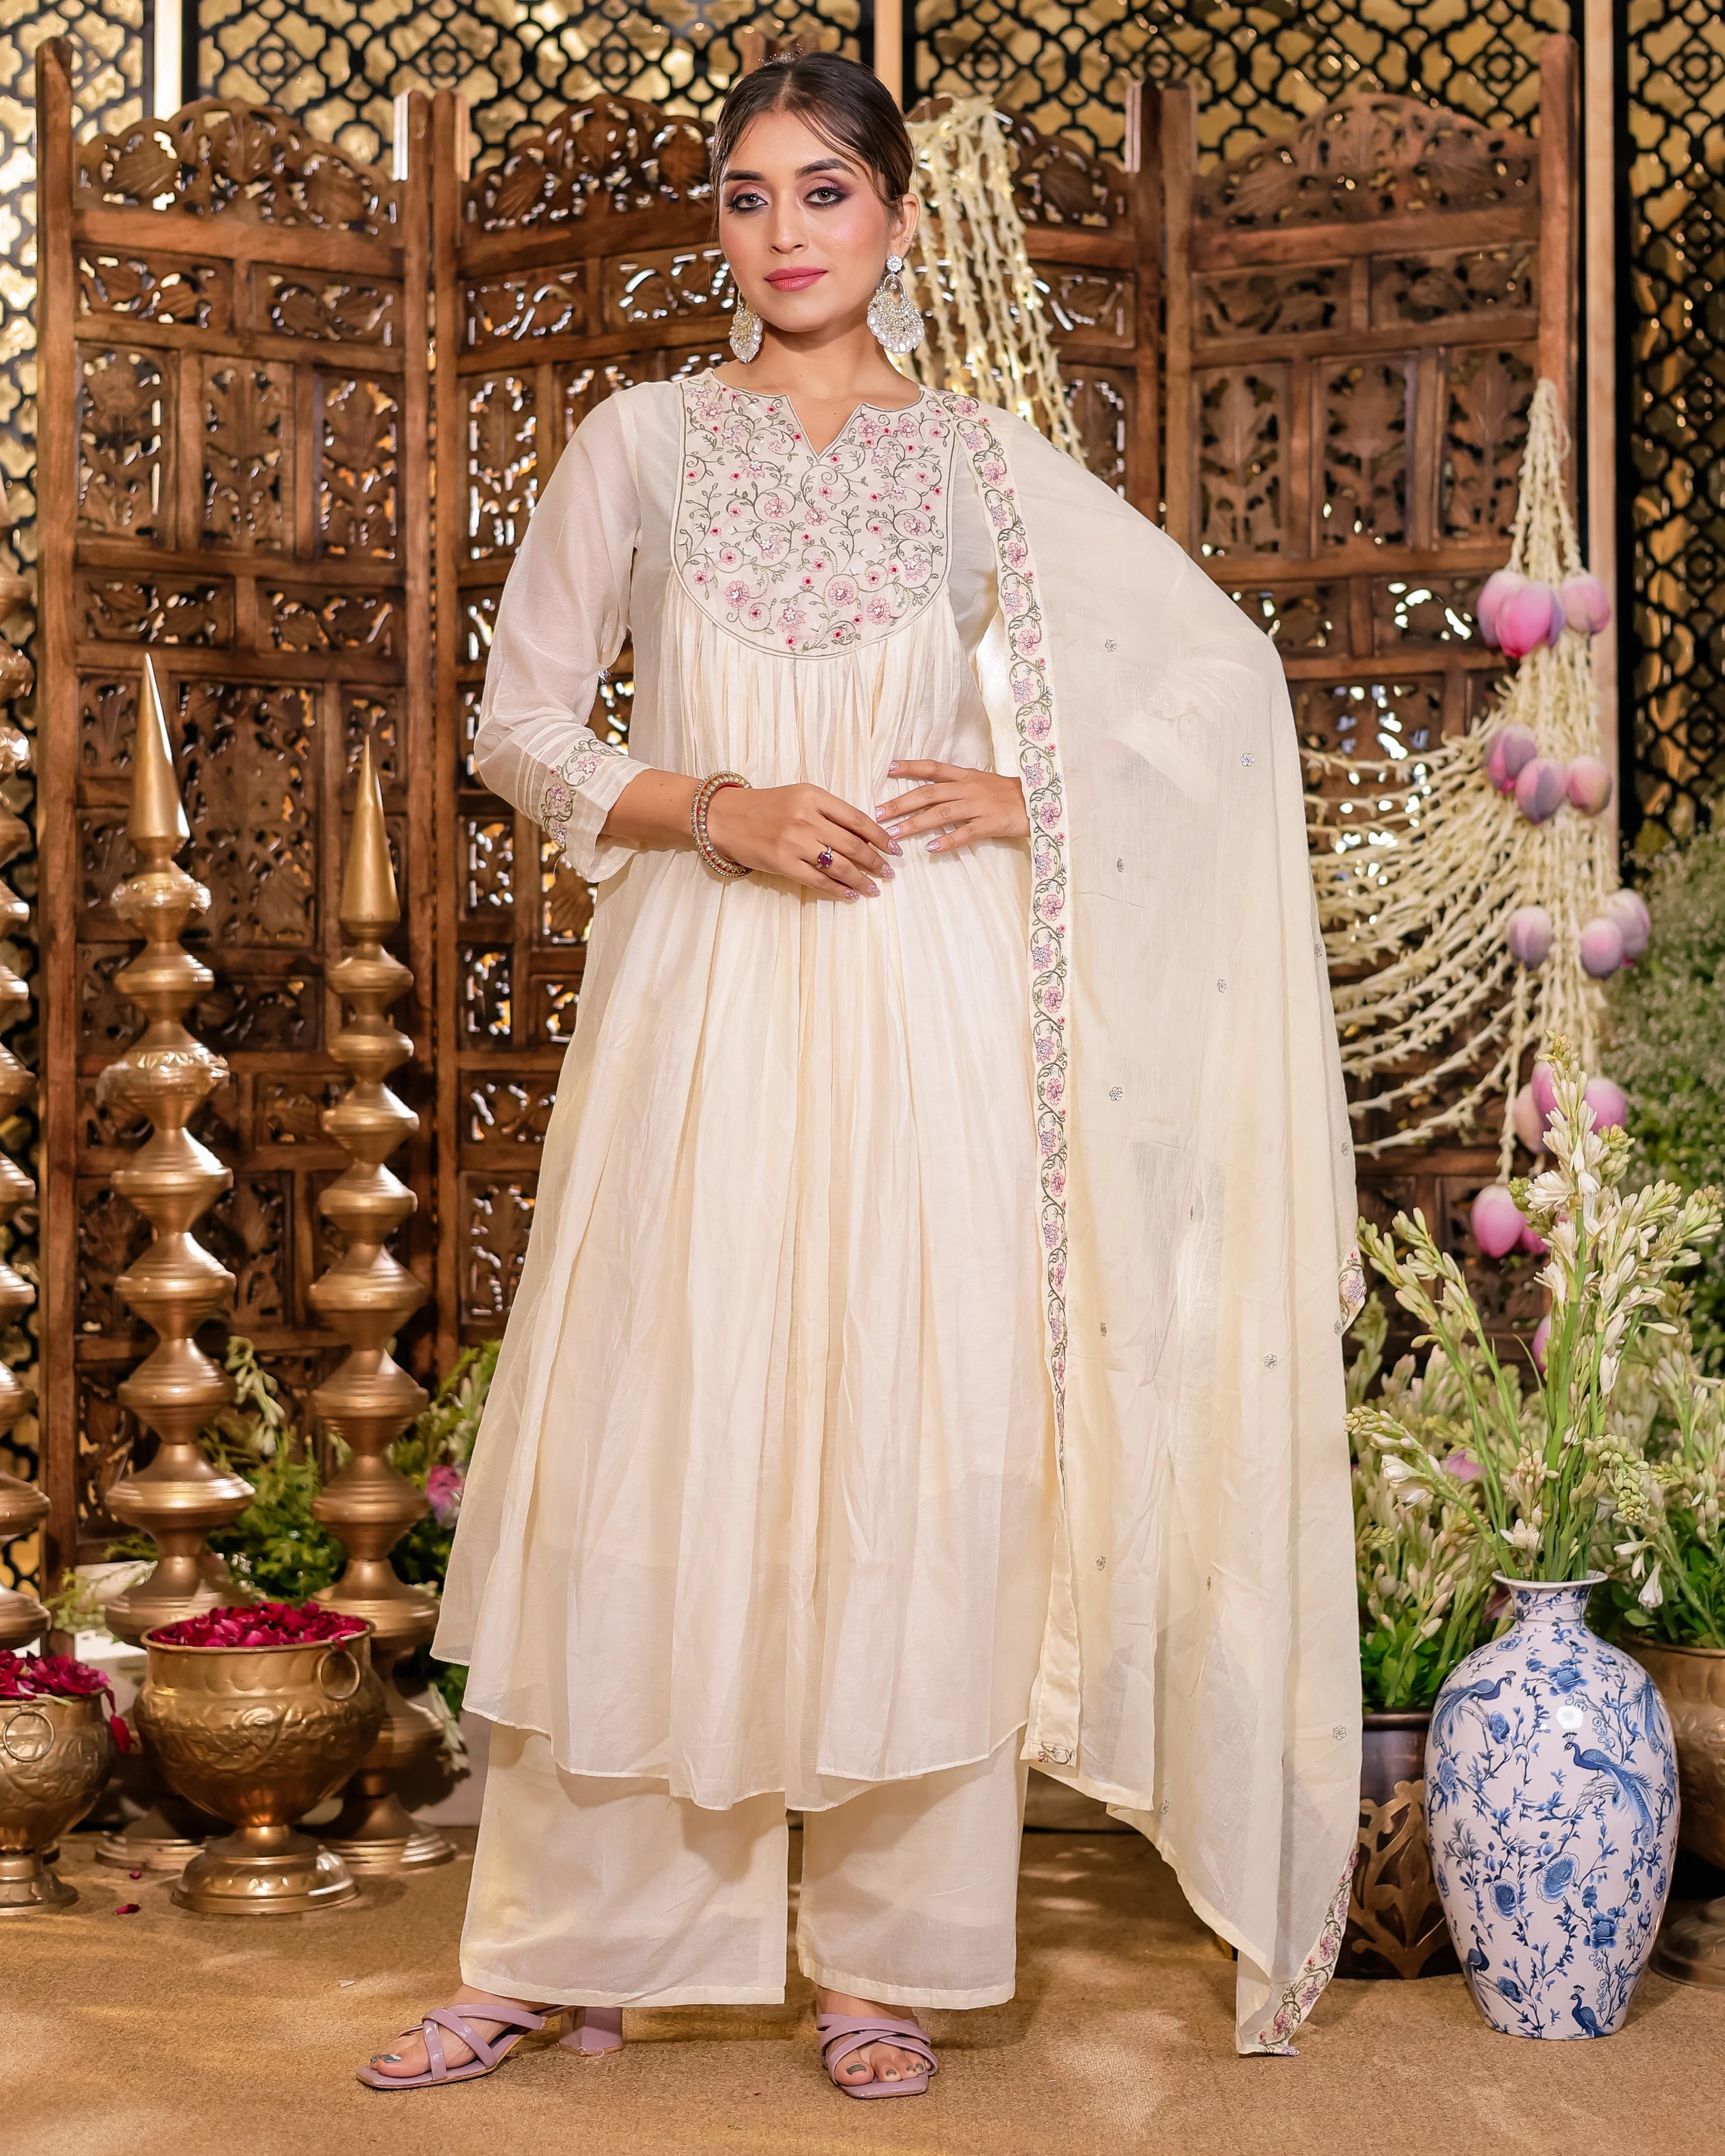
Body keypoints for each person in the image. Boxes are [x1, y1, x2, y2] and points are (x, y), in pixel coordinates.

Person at [360, 51, 1364, 2101]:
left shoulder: (990, 466)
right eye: (748, 197)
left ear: (897, 218)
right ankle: (578, 1938)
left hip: (926, 997)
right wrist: (707, 802)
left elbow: (1208, 692)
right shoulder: (636, 443)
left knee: (912, 1432)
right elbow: (520, 724)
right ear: (717, 228)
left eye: (826, 192)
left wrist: (1030, 793)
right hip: (704, 989)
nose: (788, 231)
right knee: (672, 1420)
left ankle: (889, 1962)